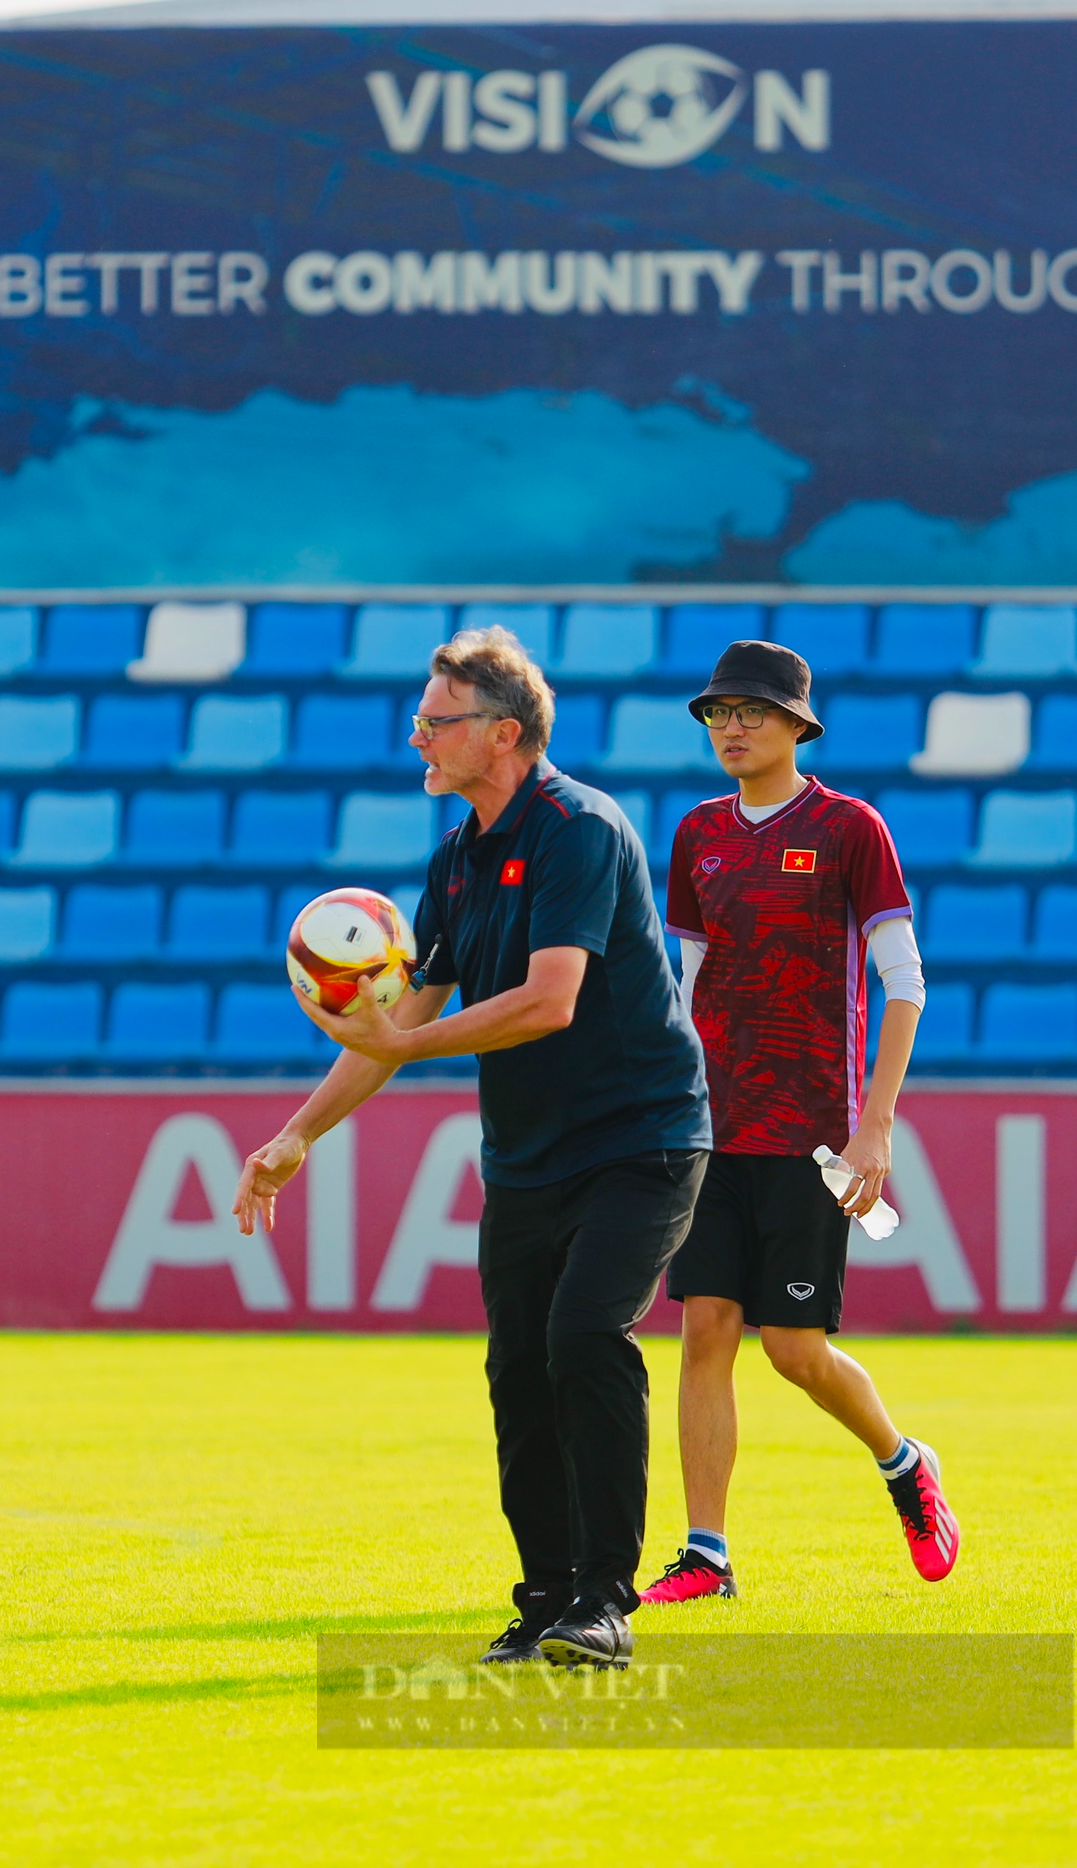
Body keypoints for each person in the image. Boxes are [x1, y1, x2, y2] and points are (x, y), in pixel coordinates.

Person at [233, 626, 709, 1672]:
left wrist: (400, 1035)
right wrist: (293, 1136)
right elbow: (397, 1026)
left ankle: (601, 1601)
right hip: (528, 1158)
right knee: (515, 1371)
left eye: (433, 720)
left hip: (641, 1138)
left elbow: (547, 1001)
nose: (415, 737)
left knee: (584, 1336)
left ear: (500, 735)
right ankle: (542, 1599)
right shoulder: (455, 859)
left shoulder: (577, 830)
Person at [640, 640, 959, 1603]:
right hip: (710, 1126)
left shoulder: (851, 827)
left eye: (750, 711)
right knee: (705, 1332)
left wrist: (876, 1126)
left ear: (795, 725)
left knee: (793, 1351)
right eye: (717, 713)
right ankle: (707, 1556)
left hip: (812, 1133)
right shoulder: (698, 833)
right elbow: (680, 985)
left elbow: (904, 985)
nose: (730, 727)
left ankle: (904, 1463)